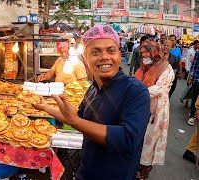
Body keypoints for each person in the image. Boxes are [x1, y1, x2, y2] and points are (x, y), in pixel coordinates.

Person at [34, 24, 151, 179]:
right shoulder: (93, 89)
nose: (104, 56)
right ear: (86, 59)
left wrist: (75, 121)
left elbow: (127, 139)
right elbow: (77, 118)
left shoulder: (136, 91)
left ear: (119, 55)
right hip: (86, 171)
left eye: (111, 50)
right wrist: (46, 108)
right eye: (95, 52)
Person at [135, 41, 174, 179]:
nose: (145, 59)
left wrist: (136, 92)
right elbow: (135, 81)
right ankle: (135, 168)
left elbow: (159, 88)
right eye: (143, 56)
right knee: (137, 139)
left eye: (148, 56)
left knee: (149, 143)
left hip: (156, 111)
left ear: (155, 54)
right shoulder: (143, 68)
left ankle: (143, 173)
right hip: (140, 109)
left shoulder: (166, 69)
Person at [187, 49, 199, 126]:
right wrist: (190, 77)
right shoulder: (198, 53)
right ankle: (192, 116)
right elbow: (194, 65)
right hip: (197, 79)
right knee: (194, 97)